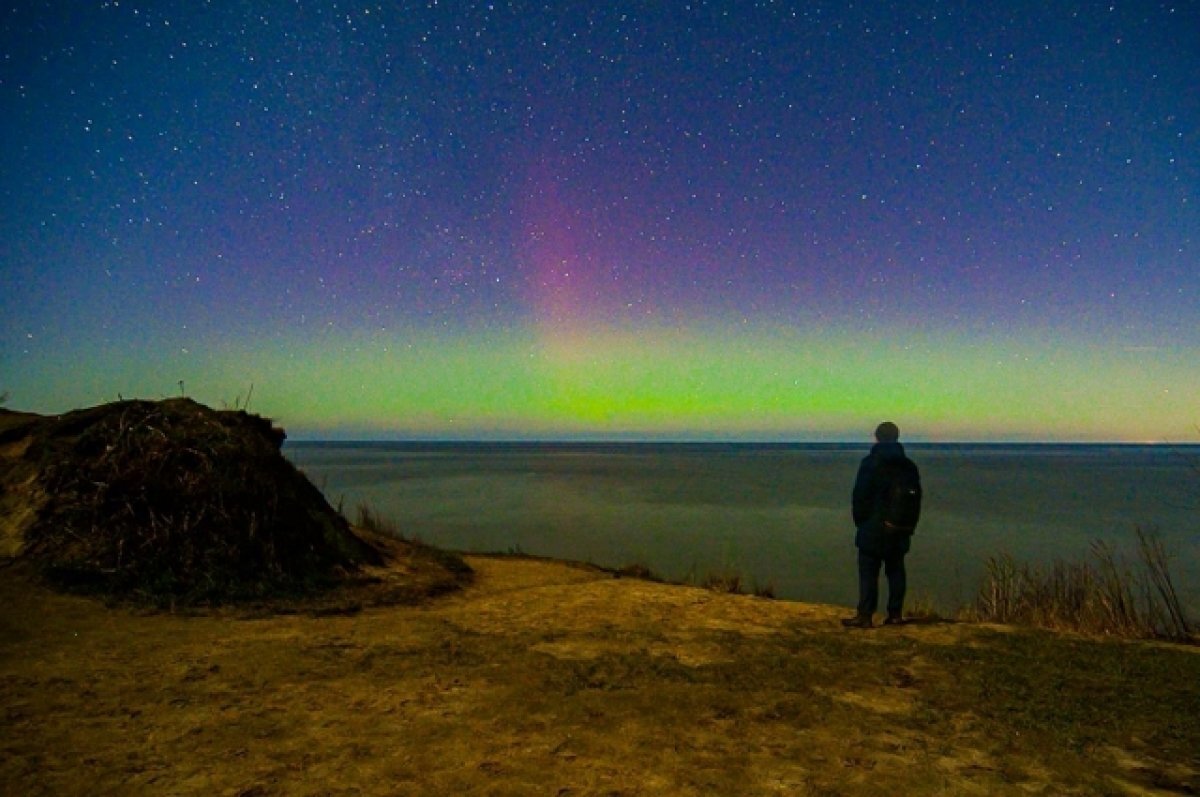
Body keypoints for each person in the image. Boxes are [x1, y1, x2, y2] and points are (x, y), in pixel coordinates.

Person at [842, 421, 921, 628]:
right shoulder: (909, 466)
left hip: (873, 526)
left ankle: (865, 615)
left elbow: (860, 496)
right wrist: (909, 526)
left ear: (876, 437)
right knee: (896, 571)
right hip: (900, 527)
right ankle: (895, 614)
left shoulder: (871, 463)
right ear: (897, 437)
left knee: (868, 572)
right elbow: (916, 498)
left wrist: (860, 521)